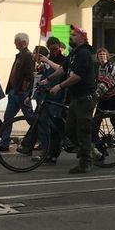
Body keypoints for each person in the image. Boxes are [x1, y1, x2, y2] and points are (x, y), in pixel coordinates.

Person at [43, 25, 97, 173]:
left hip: (85, 98)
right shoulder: (73, 54)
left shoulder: (84, 53)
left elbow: (77, 76)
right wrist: (48, 80)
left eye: (74, 35)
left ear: (82, 38)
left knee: (82, 131)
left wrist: (59, 86)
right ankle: (92, 151)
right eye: (71, 35)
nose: (70, 37)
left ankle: (85, 163)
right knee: (69, 130)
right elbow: (62, 69)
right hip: (75, 97)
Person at [0, 33, 36, 151]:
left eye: (16, 41)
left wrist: (24, 88)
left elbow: (29, 74)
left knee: (30, 118)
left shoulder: (27, 56)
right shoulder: (20, 56)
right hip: (14, 92)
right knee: (8, 117)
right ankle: (4, 143)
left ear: (23, 42)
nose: (14, 43)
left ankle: (41, 139)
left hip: (20, 92)